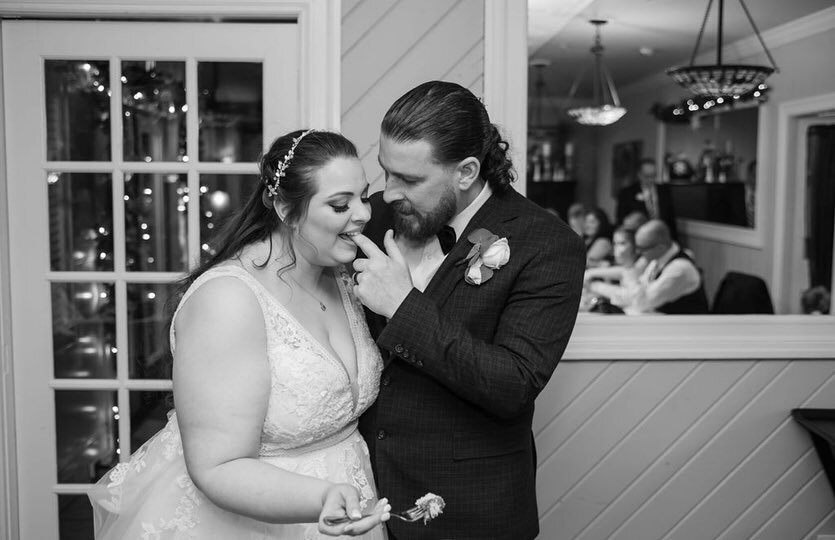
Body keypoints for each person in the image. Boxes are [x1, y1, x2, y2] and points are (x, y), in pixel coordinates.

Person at [88, 129, 391, 539]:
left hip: (351, 507)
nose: (363, 214)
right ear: (285, 207)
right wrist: (323, 496)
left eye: (364, 196)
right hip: (255, 520)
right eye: (340, 204)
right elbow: (218, 466)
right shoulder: (228, 301)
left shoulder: (340, 273)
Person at [351, 81, 585, 540]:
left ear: (466, 171)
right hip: (361, 492)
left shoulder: (548, 245)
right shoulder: (374, 216)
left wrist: (402, 306)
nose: (389, 193)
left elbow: (513, 384)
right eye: (385, 172)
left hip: (469, 508)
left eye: (410, 180)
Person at [630, 219, 709, 314]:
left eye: (642, 248)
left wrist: (633, 278)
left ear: (660, 247)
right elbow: (638, 294)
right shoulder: (658, 260)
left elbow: (642, 303)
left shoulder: (679, 269)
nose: (638, 252)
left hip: (687, 326)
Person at [583, 226, 646, 313]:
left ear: (636, 246)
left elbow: (628, 297)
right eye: (615, 244)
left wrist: (593, 285)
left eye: (622, 243)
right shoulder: (620, 266)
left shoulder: (643, 263)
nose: (617, 249)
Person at [615, 157, 678, 240]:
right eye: (647, 176)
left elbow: (671, 220)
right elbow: (621, 220)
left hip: (661, 238)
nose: (651, 180)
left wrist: (675, 241)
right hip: (638, 238)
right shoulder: (627, 193)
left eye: (653, 176)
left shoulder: (664, 191)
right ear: (639, 175)